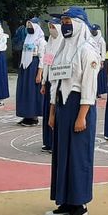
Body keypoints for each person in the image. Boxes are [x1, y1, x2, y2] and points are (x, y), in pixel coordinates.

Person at [45, 7, 99, 215]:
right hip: (61, 105)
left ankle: (79, 204)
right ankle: (64, 201)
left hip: (78, 106)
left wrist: (81, 116)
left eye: (68, 20)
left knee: (78, 156)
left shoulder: (87, 50)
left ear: (79, 23)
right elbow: (54, 82)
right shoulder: (61, 48)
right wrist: (51, 111)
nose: (65, 24)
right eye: (63, 21)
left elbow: (89, 86)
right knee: (62, 155)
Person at [16, 18, 46, 127]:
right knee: (24, 91)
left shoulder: (41, 41)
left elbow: (42, 58)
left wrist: (39, 73)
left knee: (32, 92)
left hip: (34, 66)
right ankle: (26, 114)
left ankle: (33, 116)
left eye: (31, 26)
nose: (29, 28)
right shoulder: (28, 38)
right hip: (25, 67)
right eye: (28, 26)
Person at [41, 17, 63, 153]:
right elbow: (46, 63)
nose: (51, 30)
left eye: (53, 26)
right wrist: (43, 82)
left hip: (58, 81)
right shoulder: (50, 42)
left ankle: (56, 142)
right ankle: (48, 141)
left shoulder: (63, 42)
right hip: (49, 80)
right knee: (47, 111)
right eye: (49, 27)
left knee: (56, 111)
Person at [90, 24, 108, 97]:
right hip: (91, 57)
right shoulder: (90, 38)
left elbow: (103, 51)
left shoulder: (101, 40)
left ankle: (99, 91)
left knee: (99, 76)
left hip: (99, 58)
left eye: (95, 31)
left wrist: (102, 61)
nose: (93, 32)